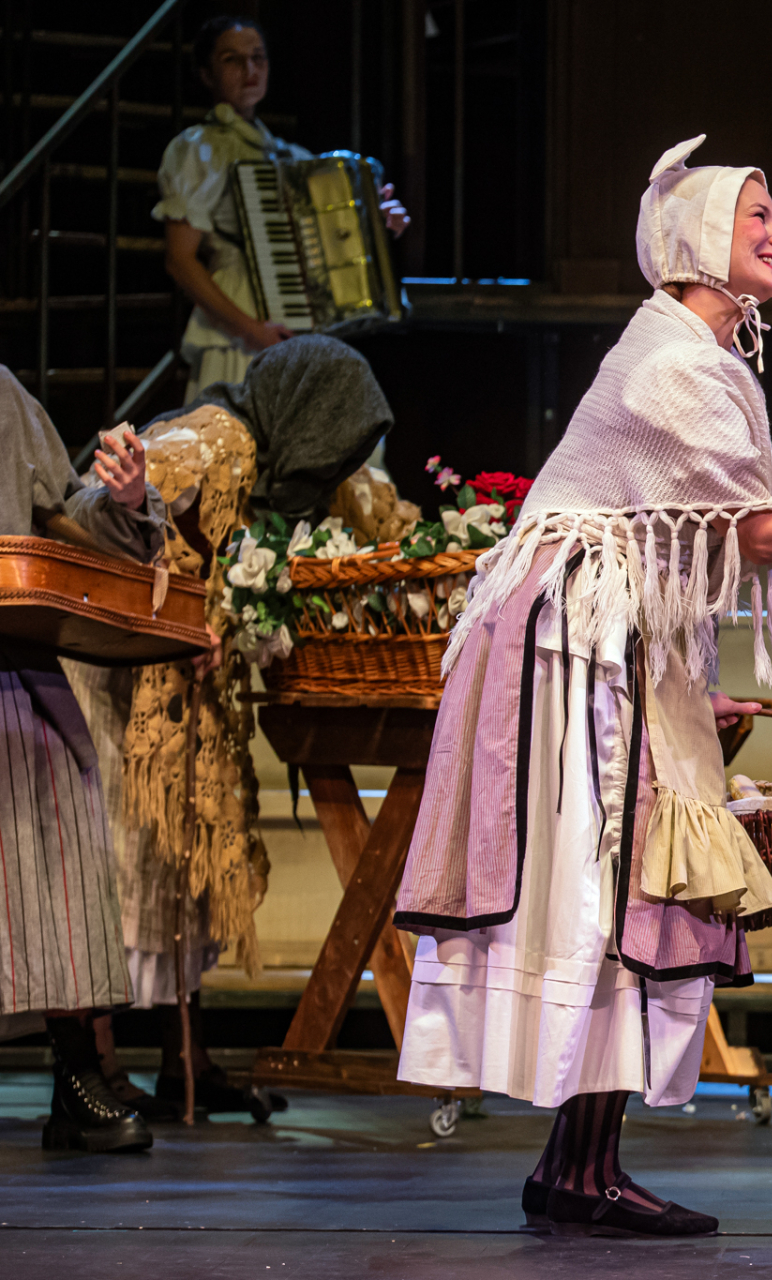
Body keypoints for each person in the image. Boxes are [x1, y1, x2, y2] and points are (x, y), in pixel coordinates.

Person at [390, 135, 772, 1238]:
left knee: (636, 886)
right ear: (702, 240)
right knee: (612, 886)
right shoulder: (671, 364)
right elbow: (750, 537)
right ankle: (579, 1166)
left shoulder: (688, 355)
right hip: (572, 651)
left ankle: (578, 1163)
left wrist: (680, 698)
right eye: (760, 217)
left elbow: (684, 544)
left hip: (606, 649)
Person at [63, 335, 396, 1123]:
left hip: (183, 685)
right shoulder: (210, 439)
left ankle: (188, 1061)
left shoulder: (268, 469)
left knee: (179, 869)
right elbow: (95, 518)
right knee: (121, 870)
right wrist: (134, 506)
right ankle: (94, 1067)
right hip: (117, 683)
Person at [0, 367, 166, 1152]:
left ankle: (75, 1077)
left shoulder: (2, 396)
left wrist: (127, 500)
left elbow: (70, 518)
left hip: (9, 655)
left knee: (55, 811)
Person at [154, 15, 409, 399]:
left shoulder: (291, 157)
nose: (250, 70)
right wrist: (249, 328)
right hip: (236, 327)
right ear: (207, 74)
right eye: (232, 60)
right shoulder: (198, 148)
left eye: (258, 58)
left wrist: (377, 223)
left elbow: (336, 242)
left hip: (297, 325)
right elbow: (180, 259)